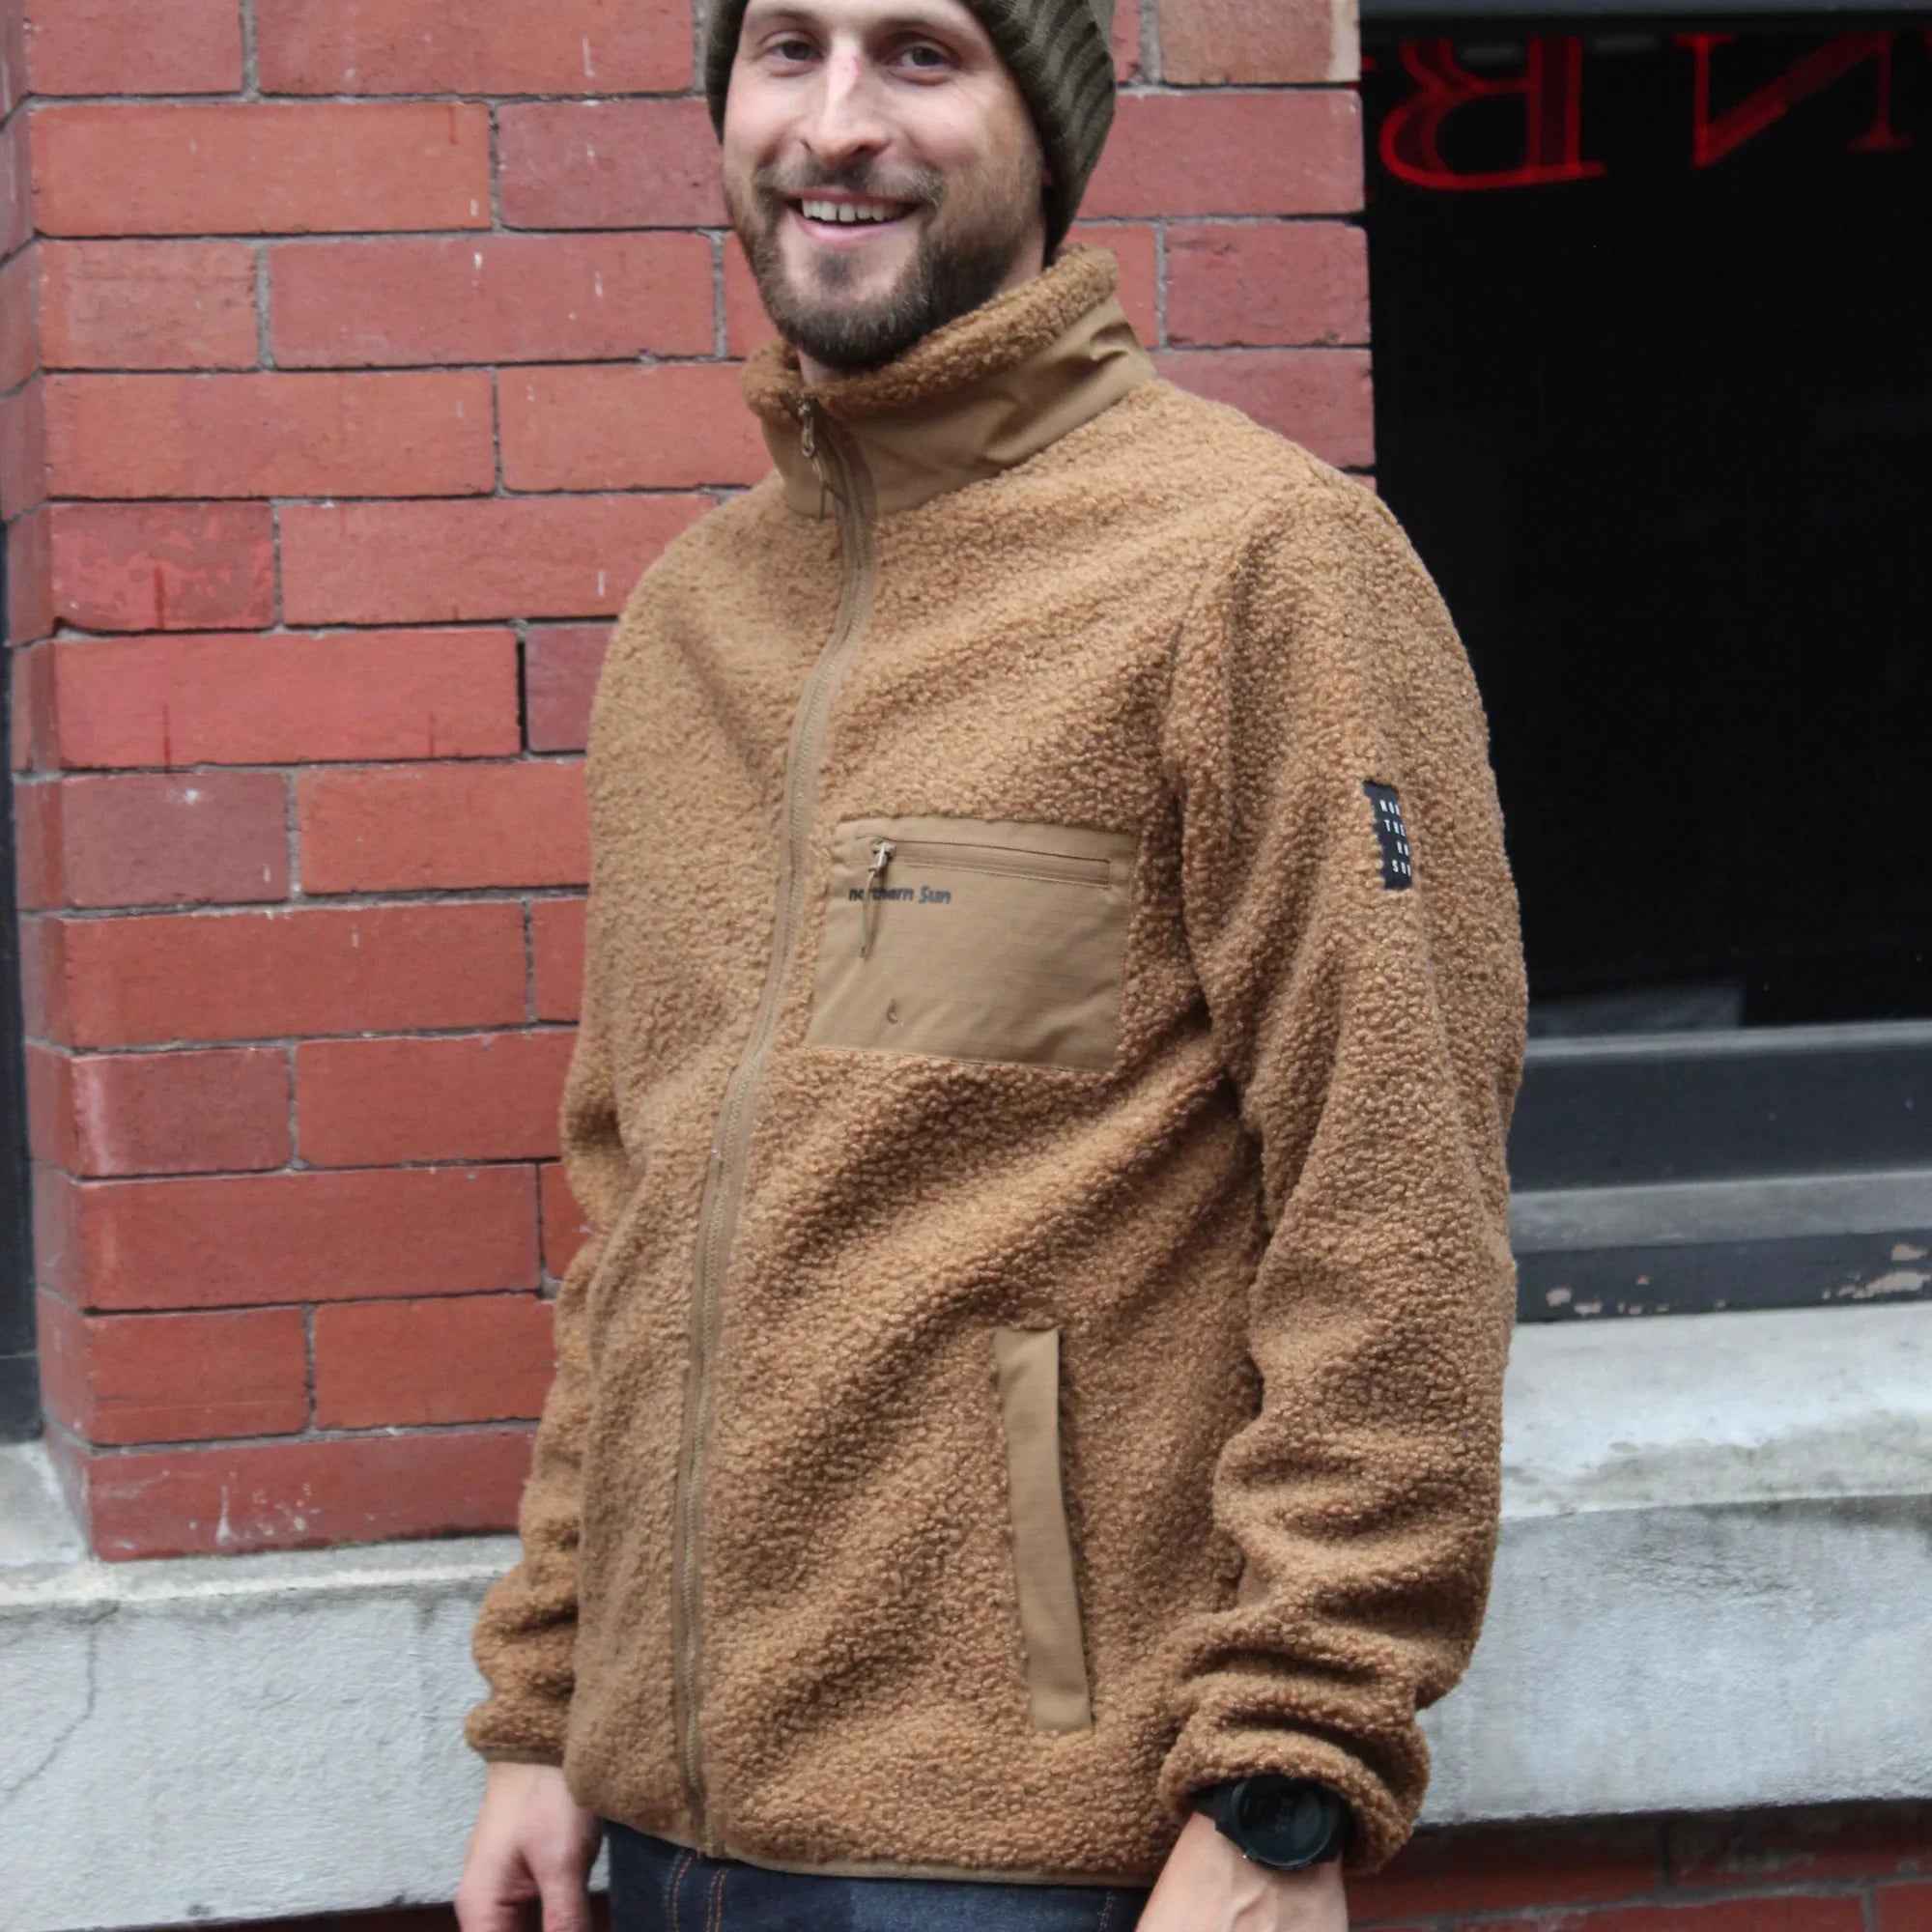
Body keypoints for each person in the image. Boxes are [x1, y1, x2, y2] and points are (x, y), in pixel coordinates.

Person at [454, 0, 1529, 1925]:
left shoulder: (1259, 567)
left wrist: (1286, 1784)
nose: (835, 121)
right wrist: (547, 1700)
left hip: (1043, 1858)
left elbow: (1395, 1207)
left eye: (919, 54)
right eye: (786, 49)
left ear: (1047, 127)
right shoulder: (689, 625)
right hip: (666, 1834)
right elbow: (636, 1217)